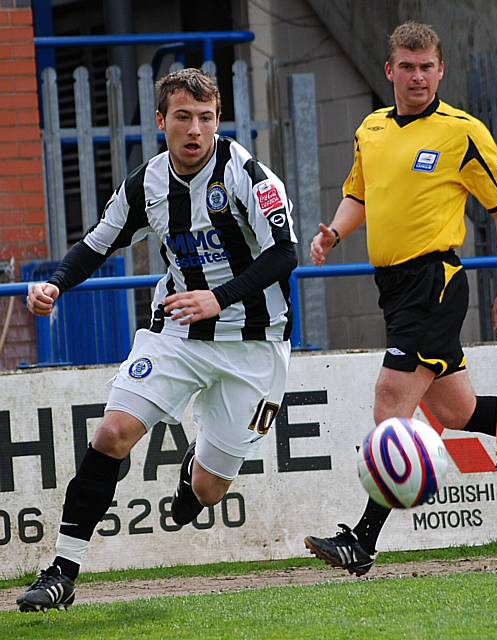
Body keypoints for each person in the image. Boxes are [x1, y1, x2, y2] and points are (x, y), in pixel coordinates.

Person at [304, 21, 497, 577]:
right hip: (393, 289)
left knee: (390, 403)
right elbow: (358, 193)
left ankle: (361, 541)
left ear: (440, 71)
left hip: (434, 283)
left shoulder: (462, 131)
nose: (417, 77)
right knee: (458, 411)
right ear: (390, 70)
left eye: (427, 67)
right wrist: (333, 234)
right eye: (407, 67)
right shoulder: (371, 129)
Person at [18, 68, 298, 612]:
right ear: (160, 122)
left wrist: (220, 298)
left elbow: (284, 252)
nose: (196, 129)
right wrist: (54, 282)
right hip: (177, 332)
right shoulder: (144, 185)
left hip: (256, 345)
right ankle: (62, 570)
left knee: (211, 490)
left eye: (207, 118)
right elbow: (97, 245)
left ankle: (195, 473)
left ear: (218, 120)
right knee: (112, 434)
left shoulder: (249, 175)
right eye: (183, 118)